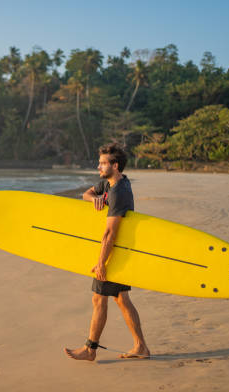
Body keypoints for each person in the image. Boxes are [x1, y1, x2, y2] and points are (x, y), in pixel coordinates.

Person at [64, 143, 150, 361]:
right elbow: (86, 193)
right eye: (100, 162)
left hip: (114, 252)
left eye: (103, 163)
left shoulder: (118, 193)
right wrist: (95, 199)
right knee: (120, 299)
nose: (98, 166)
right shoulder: (112, 184)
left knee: (99, 298)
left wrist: (101, 263)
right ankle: (140, 346)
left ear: (115, 165)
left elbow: (110, 233)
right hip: (121, 251)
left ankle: (90, 349)